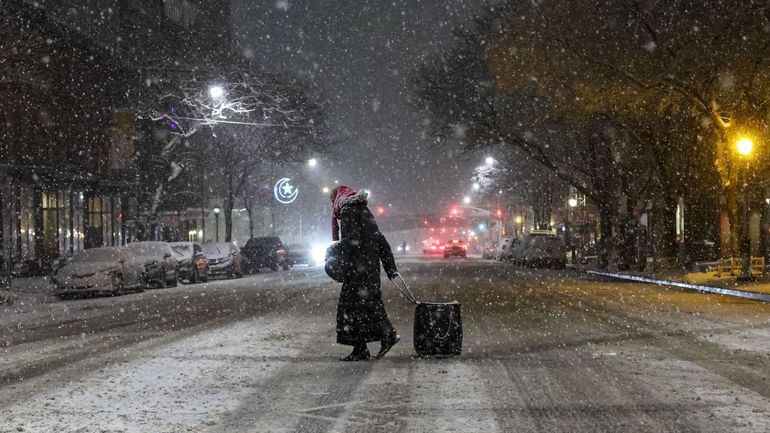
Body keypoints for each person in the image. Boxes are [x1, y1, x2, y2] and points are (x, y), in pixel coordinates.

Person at [328, 185, 400, 361]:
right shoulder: (364, 210)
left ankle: (382, 338)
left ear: (337, 199)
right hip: (370, 268)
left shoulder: (347, 211)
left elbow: (351, 241)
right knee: (368, 305)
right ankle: (369, 344)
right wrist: (391, 268)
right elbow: (380, 240)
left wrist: (333, 253)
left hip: (357, 269)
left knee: (350, 308)